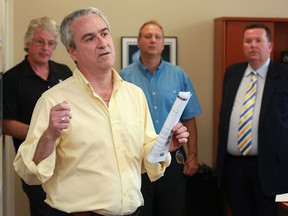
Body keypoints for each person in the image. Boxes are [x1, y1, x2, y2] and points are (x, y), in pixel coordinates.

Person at [13, 7, 189, 216]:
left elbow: (143, 162)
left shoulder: (134, 95)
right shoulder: (53, 101)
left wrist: (163, 147)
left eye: (104, 33)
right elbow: (28, 173)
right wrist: (49, 136)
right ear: (72, 52)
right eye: (89, 38)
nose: (102, 42)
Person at [120, 20, 202, 216]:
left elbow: (189, 117)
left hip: (172, 157)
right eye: (147, 36)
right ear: (138, 41)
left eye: (157, 36)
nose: (153, 40)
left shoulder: (178, 75)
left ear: (163, 43)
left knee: (172, 210)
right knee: (140, 210)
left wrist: (192, 154)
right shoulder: (124, 77)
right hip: (137, 157)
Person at [216, 23, 288, 216]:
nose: (253, 45)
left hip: (270, 167)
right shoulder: (233, 73)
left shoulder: (284, 75)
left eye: (259, 41)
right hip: (234, 166)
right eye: (248, 41)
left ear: (270, 46)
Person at [3, 17, 72, 216]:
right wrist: (46, 133)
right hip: (35, 163)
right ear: (28, 43)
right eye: (40, 41)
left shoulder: (65, 72)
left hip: (67, 162)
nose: (45, 48)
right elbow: (6, 124)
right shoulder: (12, 79)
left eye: (51, 43)